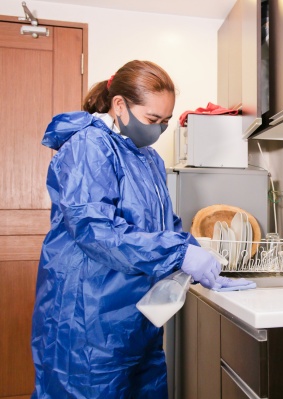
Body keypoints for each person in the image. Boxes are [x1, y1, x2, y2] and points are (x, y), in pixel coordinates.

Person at [30, 60, 251, 399]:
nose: (158, 130)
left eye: (165, 121)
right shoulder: (90, 147)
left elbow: (164, 225)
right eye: (152, 119)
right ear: (119, 105)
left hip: (138, 318)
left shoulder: (148, 159)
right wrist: (178, 253)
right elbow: (95, 231)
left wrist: (196, 252)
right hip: (89, 321)